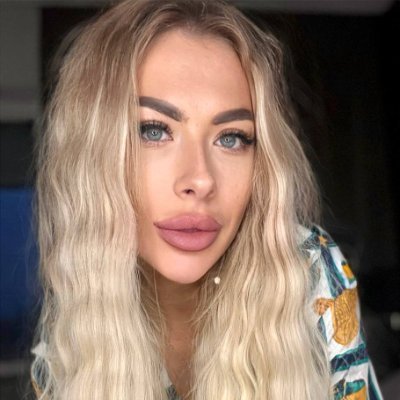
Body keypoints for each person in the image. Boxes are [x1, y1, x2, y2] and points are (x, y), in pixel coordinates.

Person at [29, 0, 383, 399]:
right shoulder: (71, 332)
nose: (200, 179)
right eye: (153, 130)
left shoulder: (307, 274)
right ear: (93, 154)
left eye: (231, 138)